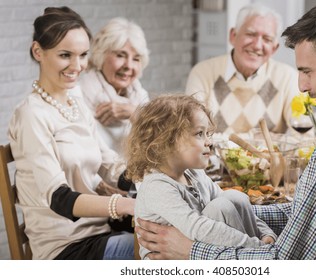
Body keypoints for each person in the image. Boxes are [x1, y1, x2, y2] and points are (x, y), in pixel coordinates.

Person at [135, 1, 316, 259]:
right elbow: (313, 216)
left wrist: (191, 251)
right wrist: (240, 212)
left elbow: (283, 265)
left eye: (307, 71)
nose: (301, 86)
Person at [8, 6, 136, 260]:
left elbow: (108, 163)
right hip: (65, 248)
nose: (77, 66)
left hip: (99, 232)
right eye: (65, 55)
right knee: (161, 249)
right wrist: (126, 205)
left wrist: (152, 177)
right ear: (38, 52)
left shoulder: (74, 103)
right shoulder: (31, 115)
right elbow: (60, 198)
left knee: (171, 236)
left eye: (83, 55)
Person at [125, 94, 277, 259]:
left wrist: (265, 235)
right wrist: (256, 247)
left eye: (208, 133)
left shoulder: (194, 174)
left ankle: (255, 262)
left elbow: (231, 205)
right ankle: (255, 260)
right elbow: (199, 229)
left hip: (203, 254)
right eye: (199, 134)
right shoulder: (157, 186)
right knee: (221, 207)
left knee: (234, 197)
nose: (209, 142)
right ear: (166, 141)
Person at [185, 3, 299, 135]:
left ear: (274, 48)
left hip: (266, 156)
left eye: (267, 39)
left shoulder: (288, 78)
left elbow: (303, 138)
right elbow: (192, 131)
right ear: (233, 36)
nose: (257, 45)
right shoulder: (202, 73)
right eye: (250, 34)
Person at [79, 17, 150, 154]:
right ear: (102, 55)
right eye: (120, 55)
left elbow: (161, 144)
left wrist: (134, 113)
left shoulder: (140, 96)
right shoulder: (81, 94)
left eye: (136, 59)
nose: (128, 66)